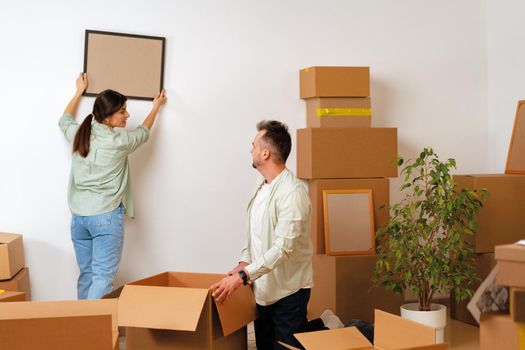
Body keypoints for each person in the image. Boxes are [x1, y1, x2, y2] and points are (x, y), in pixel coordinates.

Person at [59, 73, 166, 299]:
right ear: (108, 117)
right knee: (102, 278)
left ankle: (83, 328)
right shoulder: (119, 142)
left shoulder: (80, 134)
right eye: (122, 111)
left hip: (79, 219)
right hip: (105, 217)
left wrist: (78, 91)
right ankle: (96, 331)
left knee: (87, 275)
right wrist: (156, 107)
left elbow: (64, 120)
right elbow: (143, 133)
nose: (128, 115)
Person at [211, 120, 313, 349]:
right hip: (262, 289)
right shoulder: (263, 185)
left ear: (265, 153)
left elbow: (282, 249)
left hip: (289, 293)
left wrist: (243, 277)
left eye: (254, 145)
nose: (251, 149)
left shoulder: (293, 194)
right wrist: (244, 261)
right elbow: (255, 233)